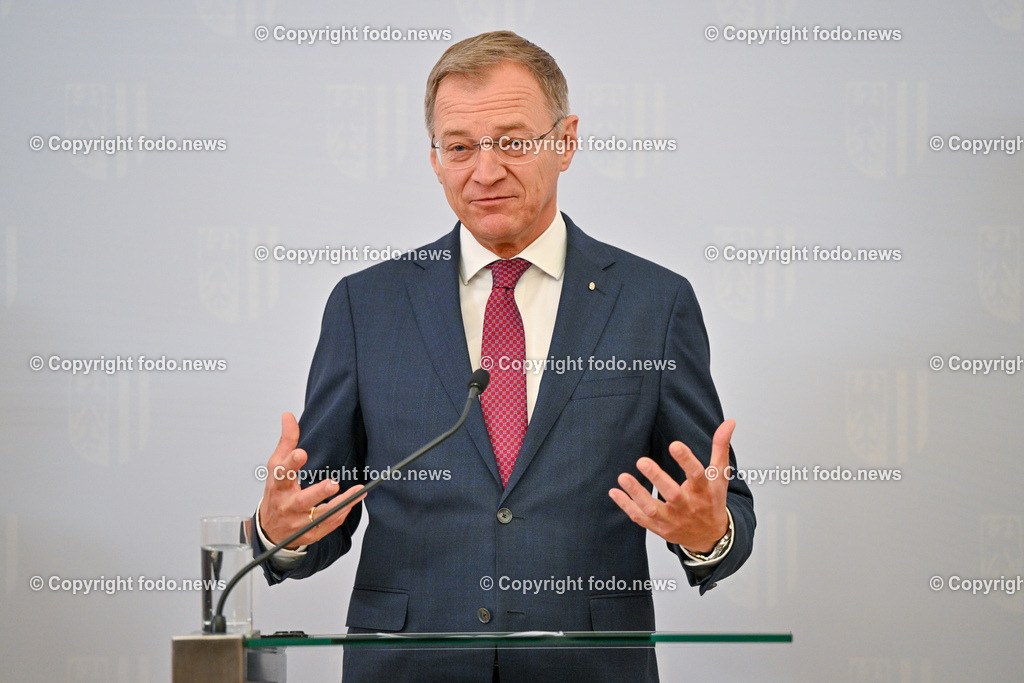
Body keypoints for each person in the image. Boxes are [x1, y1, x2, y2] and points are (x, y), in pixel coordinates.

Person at [252, 30, 755, 682]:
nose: (484, 170)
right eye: (459, 147)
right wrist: (277, 529)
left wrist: (707, 530)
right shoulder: (364, 305)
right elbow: (314, 513)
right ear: (435, 158)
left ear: (566, 140)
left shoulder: (652, 305)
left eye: (514, 142)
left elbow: (722, 508)